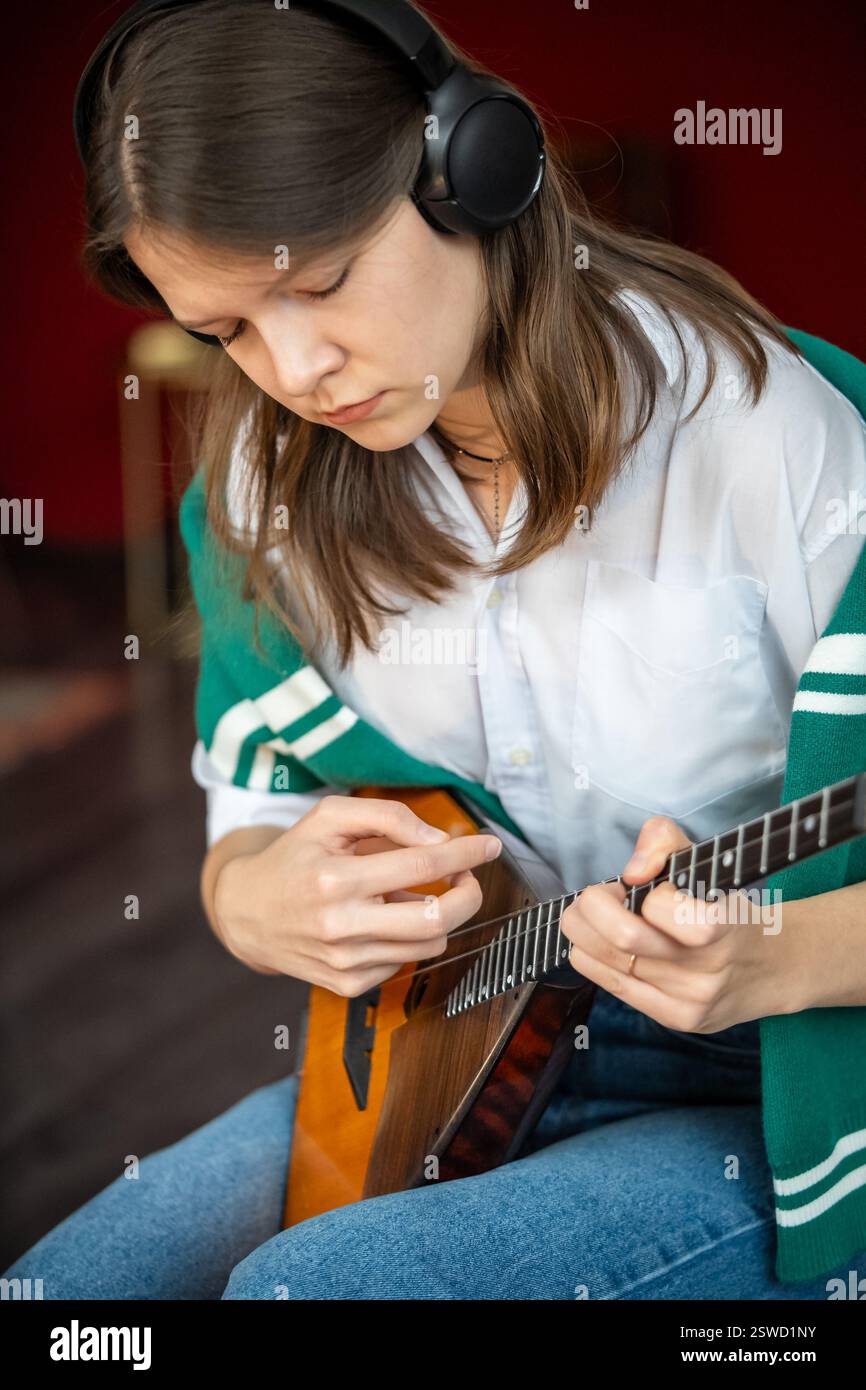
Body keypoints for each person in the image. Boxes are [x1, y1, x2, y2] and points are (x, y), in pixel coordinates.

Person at [5, 0, 866, 1299]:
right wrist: (253, 899)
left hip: (782, 1080)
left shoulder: (766, 435)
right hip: (469, 1050)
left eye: (320, 283)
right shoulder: (263, 485)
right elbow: (253, 820)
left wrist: (779, 955)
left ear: (470, 171)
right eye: (229, 330)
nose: (296, 370)